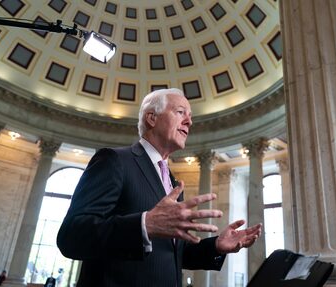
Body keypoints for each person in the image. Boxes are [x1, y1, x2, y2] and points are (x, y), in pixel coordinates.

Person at [57, 88, 262, 287]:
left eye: (190, 116)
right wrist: (145, 224)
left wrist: (216, 246)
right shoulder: (114, 160)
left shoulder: (172, 183)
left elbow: (172, 255)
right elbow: (72, 236)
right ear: (152, 118)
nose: (189, 121)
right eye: (180, 112)